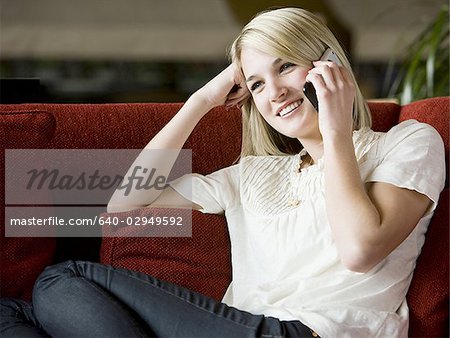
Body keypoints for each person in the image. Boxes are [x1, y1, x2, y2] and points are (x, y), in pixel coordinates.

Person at [1, 7, 445, 338]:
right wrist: (200, 102)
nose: (275, 93)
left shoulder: (408, 142)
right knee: (10, 313)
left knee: (64, 277)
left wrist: (335, 130)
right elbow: (123, 208)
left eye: (286, 66)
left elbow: (359, 250)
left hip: (314, 332)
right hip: (243, 328)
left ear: (329, 63)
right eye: (256, 83)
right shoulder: (252, 175)